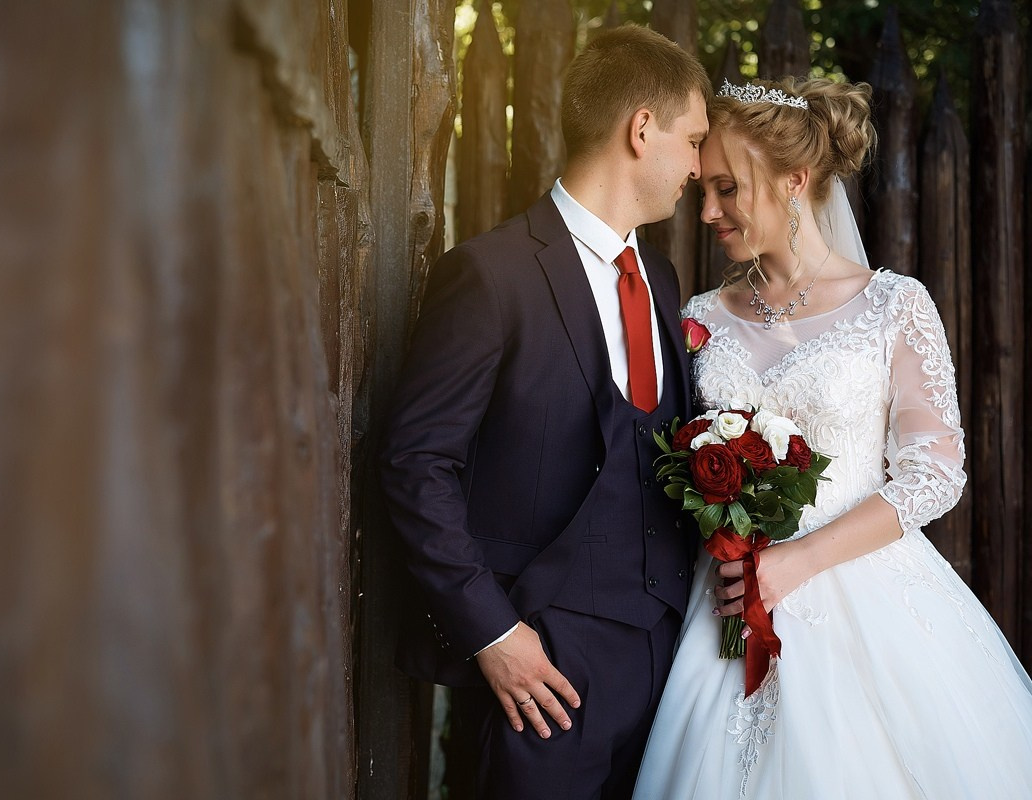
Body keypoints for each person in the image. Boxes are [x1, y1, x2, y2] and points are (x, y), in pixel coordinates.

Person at [632, 77, 1032, 799]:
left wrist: (799, 561)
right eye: (705, 189)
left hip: (866, 597)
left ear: (794, 181)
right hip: (721, 603)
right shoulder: (697, 317)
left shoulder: (895, 306)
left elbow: (935, 470)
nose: (708, 211)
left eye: (728, 189)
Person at [380, 24, 711, 799]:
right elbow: (414, 464)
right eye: (692, 140)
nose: (698, 167)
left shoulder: (659, 278)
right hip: (544, 665)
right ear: (641, 129)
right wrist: (493, 635)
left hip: (670, 655)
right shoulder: (490, 276)